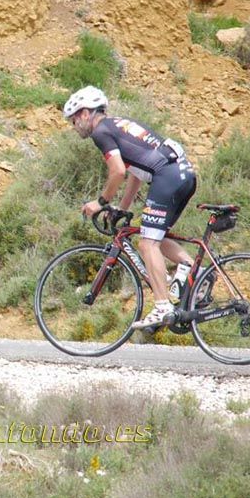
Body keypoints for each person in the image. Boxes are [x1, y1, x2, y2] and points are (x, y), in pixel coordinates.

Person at [62, 86, 197, 329]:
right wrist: (121, 208)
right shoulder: (117, 124)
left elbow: (118, 171)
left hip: (168, 176)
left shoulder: (100, 132)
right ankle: (191, 274)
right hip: (183, 173)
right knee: (157, 235)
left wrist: (100, 202)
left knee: (147, 243)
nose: (74, 127)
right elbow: (135, 173)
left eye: (74, 121)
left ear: (84, 114)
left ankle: (162, 306)